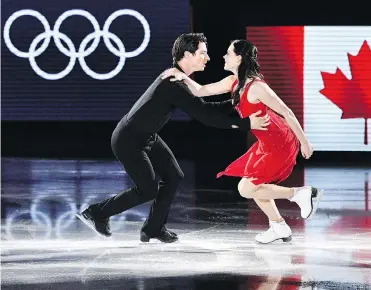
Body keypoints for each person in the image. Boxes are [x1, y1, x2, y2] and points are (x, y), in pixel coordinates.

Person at [76, 33, 271, 243]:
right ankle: (96, 212)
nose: (208, 58)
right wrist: (245, 123)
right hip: (128, 140)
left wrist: (235, 102)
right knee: (148, 189)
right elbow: (205, 115)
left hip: (146, 136)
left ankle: (153, 229)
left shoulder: (177, 79)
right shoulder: (172, 83)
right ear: (187, 54)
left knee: (173, 176)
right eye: (202, 53)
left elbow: (204, 108)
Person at [161, 39, 324, 244]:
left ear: (239, 58)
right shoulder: (233, 82)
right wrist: (181, 75)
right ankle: (279, 226)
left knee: (246, 188)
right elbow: (201, 91)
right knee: (255, 183)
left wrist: (304, 142)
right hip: (265, 143)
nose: (223, 56)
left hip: (279, 141)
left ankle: (301, 193)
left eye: (228, 53)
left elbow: (287, 112)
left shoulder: (257, 87)